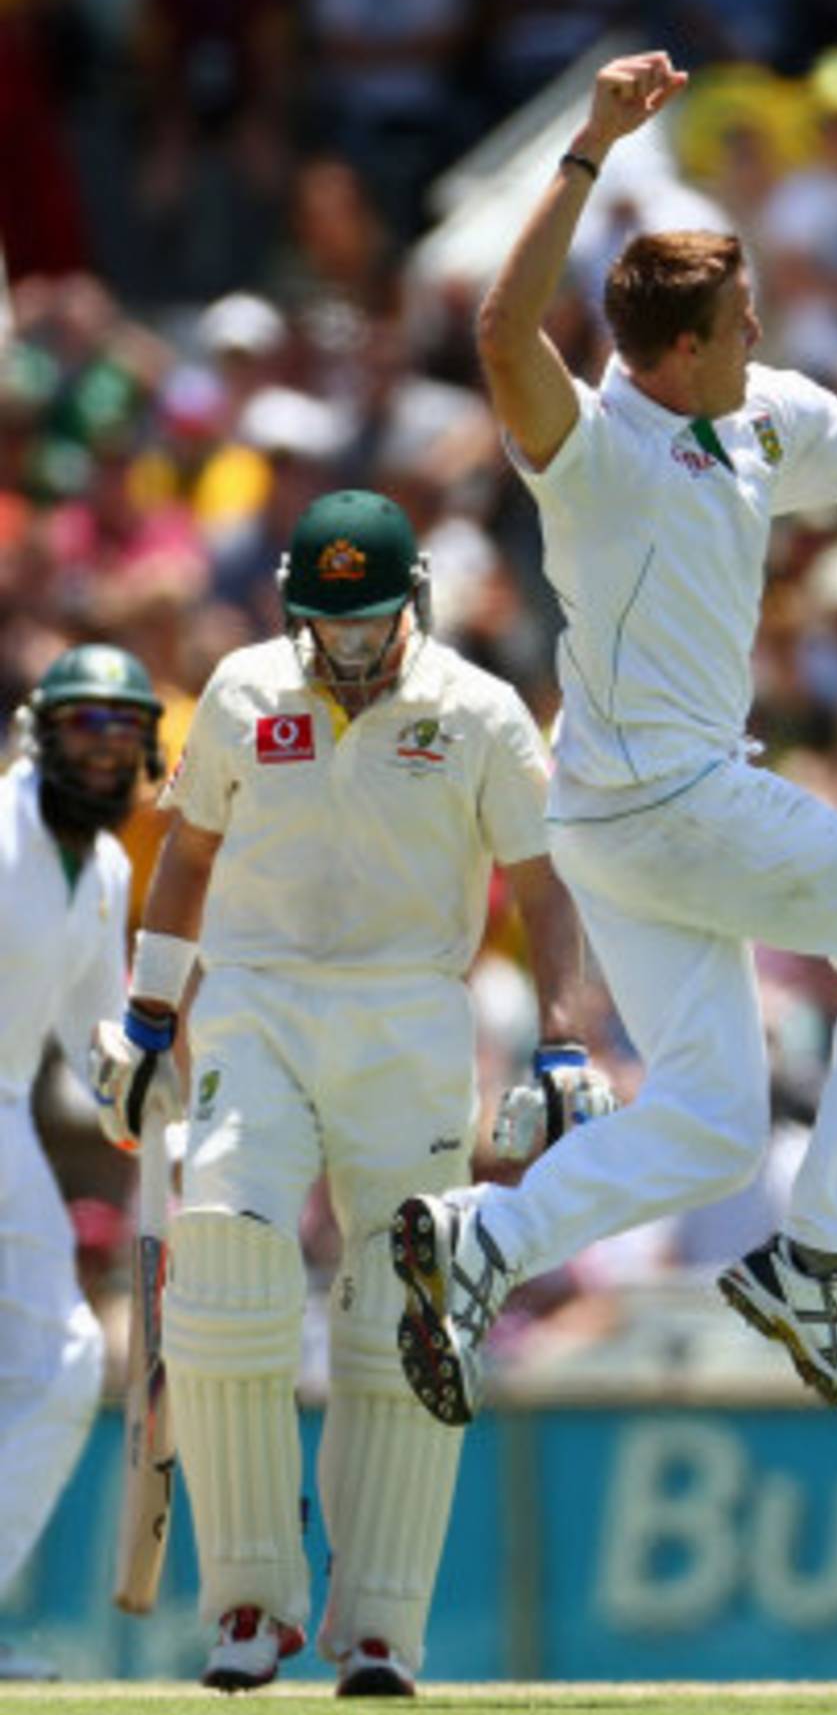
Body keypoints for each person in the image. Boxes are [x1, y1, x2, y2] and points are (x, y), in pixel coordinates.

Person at [390, 50, 837, 1434]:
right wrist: (584, 144)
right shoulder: (592, 447)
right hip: (669, 803)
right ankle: (815, 1260)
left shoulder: (764, 414)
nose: (761, 332)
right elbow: (506, 331)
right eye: (741, 320)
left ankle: (482, 1240)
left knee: (707, 1124)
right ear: (679, 347)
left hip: (620, 825)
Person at [90, 489, 611, 1695]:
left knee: (406, 1308)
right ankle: (248, 1608)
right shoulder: (239, 690)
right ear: (293, 604)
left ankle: (380, 1626)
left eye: (372, 618)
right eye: (332, 621)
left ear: (411, 599)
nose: (354, 644)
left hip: (409, 1014)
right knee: (221, 1259)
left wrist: (563, 1041)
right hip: (258, 1004)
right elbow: (190, 853)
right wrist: (149, 1009)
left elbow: (541, 885)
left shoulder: (477, 711)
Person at [0, 643, 163, 1680]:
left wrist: (172, 1115)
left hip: (6, 1106)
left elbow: (100, 1041)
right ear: (38, 732)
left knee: (62, 1365)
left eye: (122, 729)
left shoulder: (105, 868)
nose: (102, 752)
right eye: (80, 727)